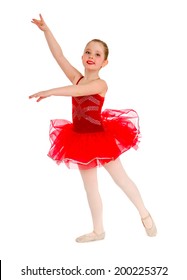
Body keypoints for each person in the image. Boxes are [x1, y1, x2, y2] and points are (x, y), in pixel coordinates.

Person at [29, 14, 157, 243]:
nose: (91, 56)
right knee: (90, 188)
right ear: (82, 56)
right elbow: (58, 56)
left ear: (104, 63)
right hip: (79, 140)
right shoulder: (77, 79)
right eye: (88, 52)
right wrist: (46, 30)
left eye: (97, 54)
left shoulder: (100, 84)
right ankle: (99, 231)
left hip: (100, 138)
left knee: (121, 180)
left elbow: (77, 93)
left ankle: (145, 214)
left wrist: (50, 91)